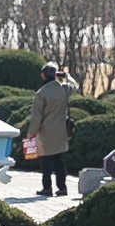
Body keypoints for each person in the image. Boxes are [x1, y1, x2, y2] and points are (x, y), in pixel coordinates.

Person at [28, 62, 78, 197]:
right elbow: (75, 86)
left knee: (46, 162)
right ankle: (62, 188)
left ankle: (47, 188)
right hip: (61, 131)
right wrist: (67, 76)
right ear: (55, 75)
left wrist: (31, 133)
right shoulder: (64, 89)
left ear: (43, 76)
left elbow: (37, 116)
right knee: (60, 161)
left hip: (45, 132)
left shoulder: (41, 93)